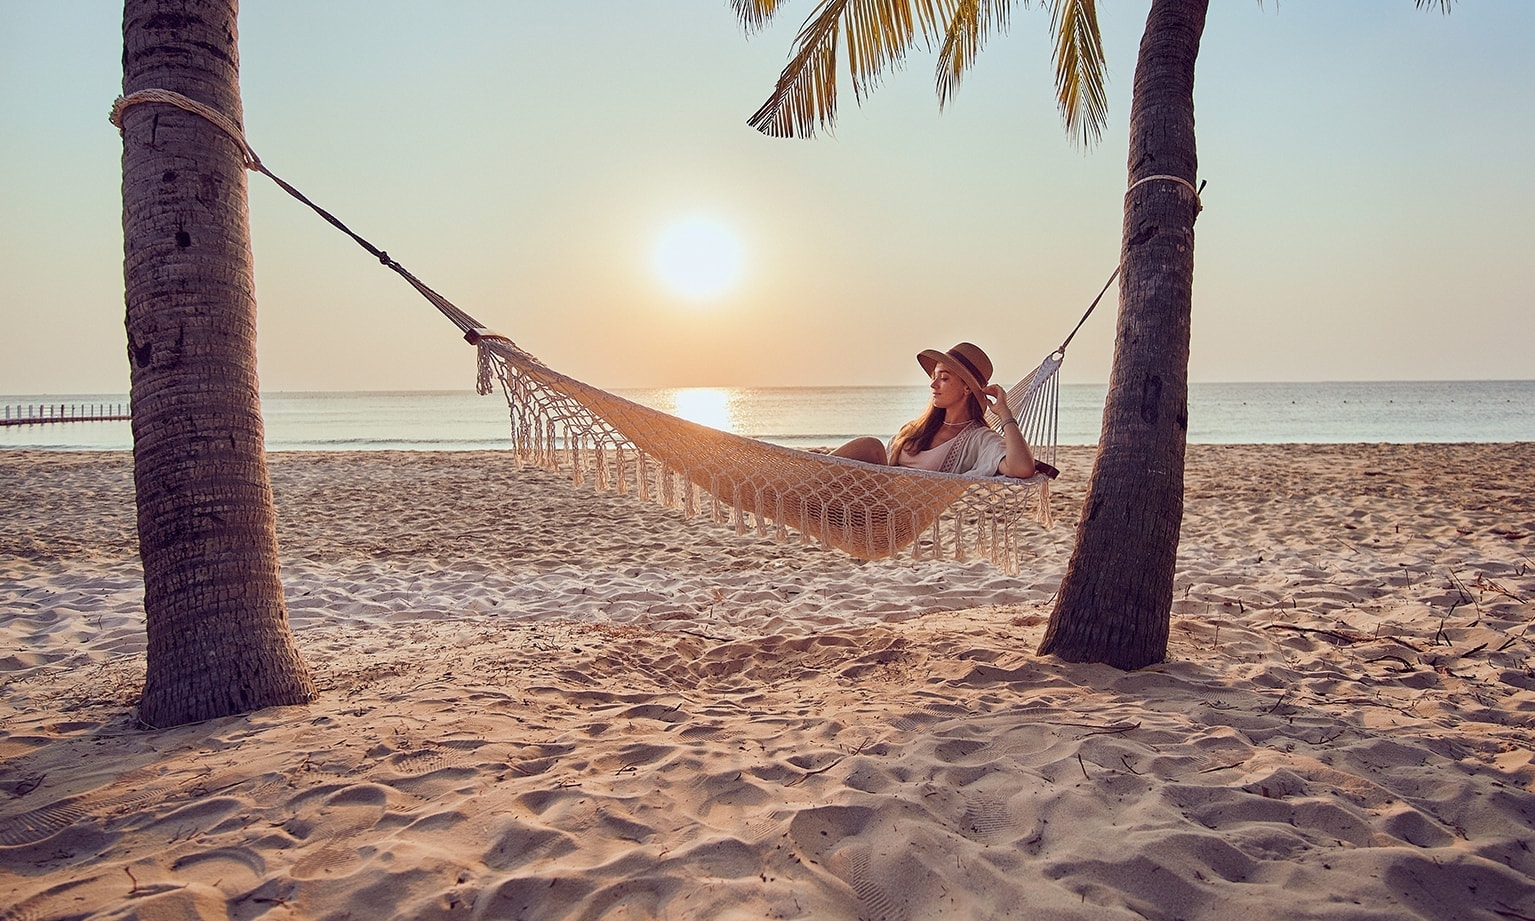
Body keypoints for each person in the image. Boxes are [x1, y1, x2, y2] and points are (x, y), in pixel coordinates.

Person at [832, 342, 1058, 479]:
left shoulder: (978, 439)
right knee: (869, 448)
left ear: (967, 388)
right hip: (865, 499)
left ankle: (800, 489)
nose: (933, 384)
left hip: (893, 514)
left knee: (870, 446)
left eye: (944, 378)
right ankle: (800, 490)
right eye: (934, 378)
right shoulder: (914, 429)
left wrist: (1006, 415)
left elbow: (1022, 468)